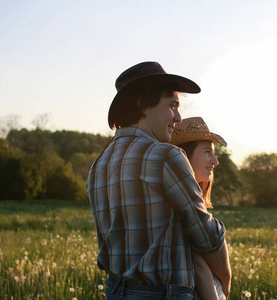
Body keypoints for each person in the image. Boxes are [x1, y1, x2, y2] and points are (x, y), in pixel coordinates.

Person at [87, 62, 231, 299]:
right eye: (172, 105)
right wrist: (226, 278)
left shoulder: (99, 164)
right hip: (162, 293)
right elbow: (205, 236)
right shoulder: (166, 155)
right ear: (143, 104)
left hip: (114, 290)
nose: (178, 117)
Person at [170, 117, 231, 300]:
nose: (215, 161)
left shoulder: (194, 200)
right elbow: (199, 264)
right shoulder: (179, 204)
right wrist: (226, 280)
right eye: (207, 152)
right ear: (184, 156)